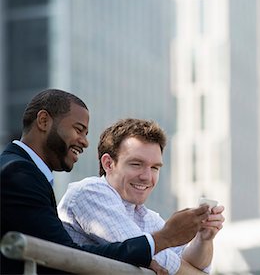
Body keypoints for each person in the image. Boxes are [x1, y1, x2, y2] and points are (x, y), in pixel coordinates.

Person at [0, 89, 210, 274]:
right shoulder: (18, 172)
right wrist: (162, 239)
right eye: (78, 129)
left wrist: (204, 238)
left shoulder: (26, 172)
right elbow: (61, 255)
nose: (84, 141)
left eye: (155, 167)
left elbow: (62, 253)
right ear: (44, 121)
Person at [57, 118, 225, 275]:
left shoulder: (148, 218)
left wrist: (204, 239)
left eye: (155, 168)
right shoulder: (90, 193)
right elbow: (142, 251)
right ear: (108, 163)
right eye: (136, 164)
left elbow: (194, 265)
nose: (147, 176)